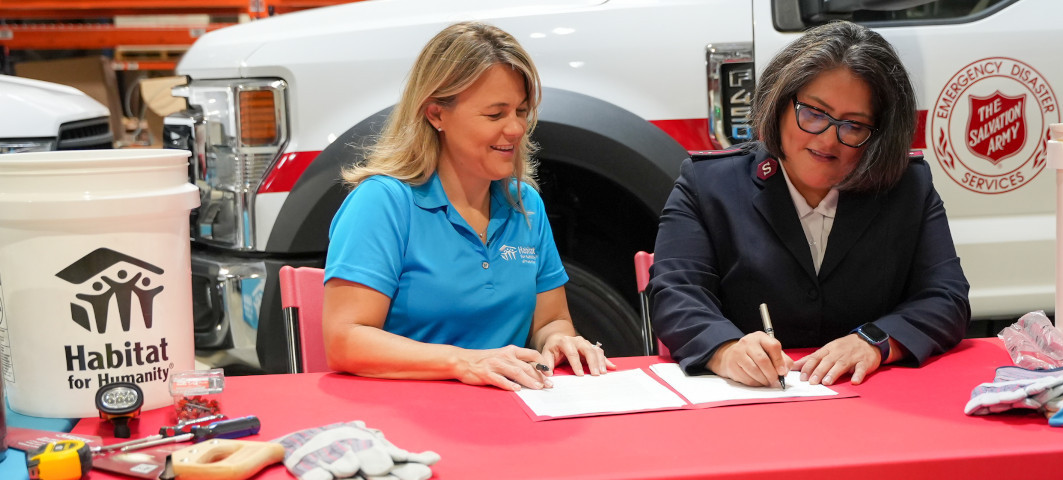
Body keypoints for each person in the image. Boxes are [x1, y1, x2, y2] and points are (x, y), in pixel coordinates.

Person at [649, 21, 970, 388]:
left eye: (854, 126)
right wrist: (726, 349)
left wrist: (877, 341)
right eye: (814, 113)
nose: (828, 140)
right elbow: (675, 293)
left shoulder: (907, 185)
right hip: (750, 400)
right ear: (780, 103)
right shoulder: (708, 185)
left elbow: (946, 298)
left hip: (872, 398)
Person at [323, 22, 613, 391]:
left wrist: (557, 340)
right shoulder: (382, 202)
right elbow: (345, 341)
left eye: (521, 111)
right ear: (435, 114)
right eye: (495, 115)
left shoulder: (525, 205)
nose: (517, 129)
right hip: (405, 416)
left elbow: (550, 321)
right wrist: (464, 362)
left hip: (509, 409)